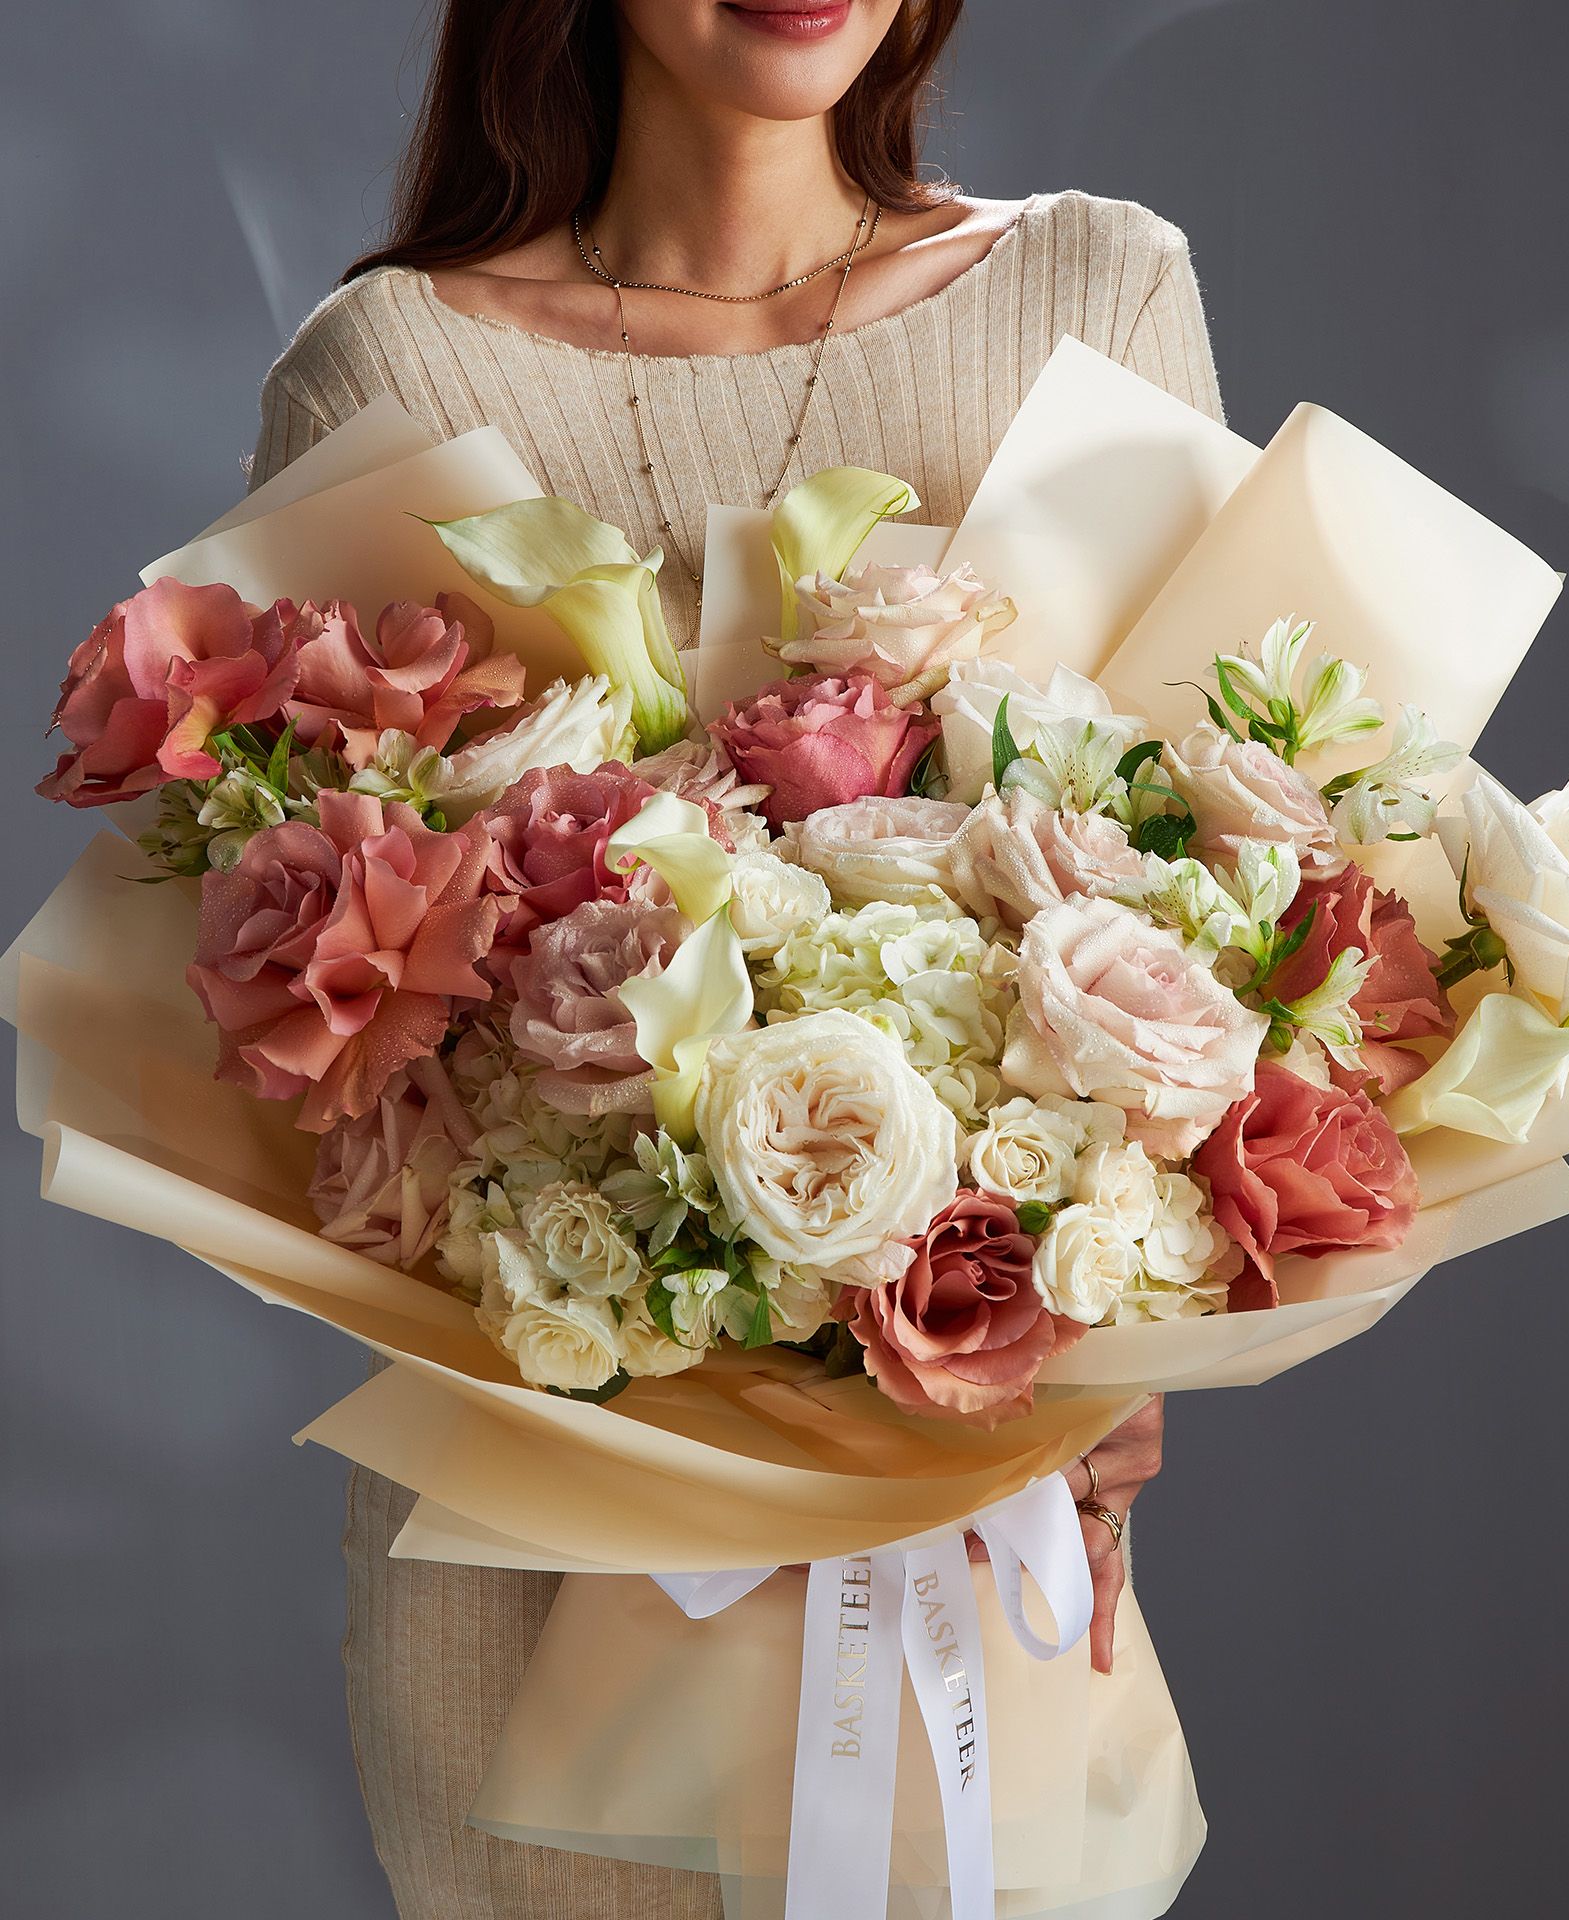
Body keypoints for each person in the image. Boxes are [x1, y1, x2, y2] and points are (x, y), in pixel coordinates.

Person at [250, 2, 1216, 1912]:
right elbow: (317, 1018)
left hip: (969, 1527)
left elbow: (1206, 895)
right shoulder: (385, 371)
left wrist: (1118, 1309)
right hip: (537, 1547)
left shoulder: (1095, 294)